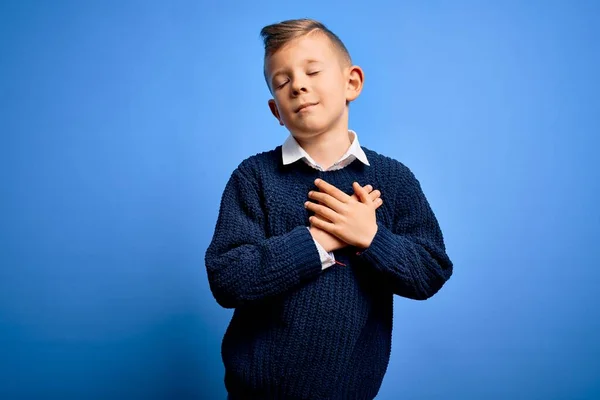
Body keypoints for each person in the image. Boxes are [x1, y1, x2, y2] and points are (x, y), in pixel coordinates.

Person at [204, 18, 453, 400]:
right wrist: (319, 239)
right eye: (282, 82)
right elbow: (228, 278)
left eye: (312, 71)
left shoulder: (394, 179)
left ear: (351, 82)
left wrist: (369, 236)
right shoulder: (254, 177)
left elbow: (430, 271)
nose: (298, 85)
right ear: (276, 110)